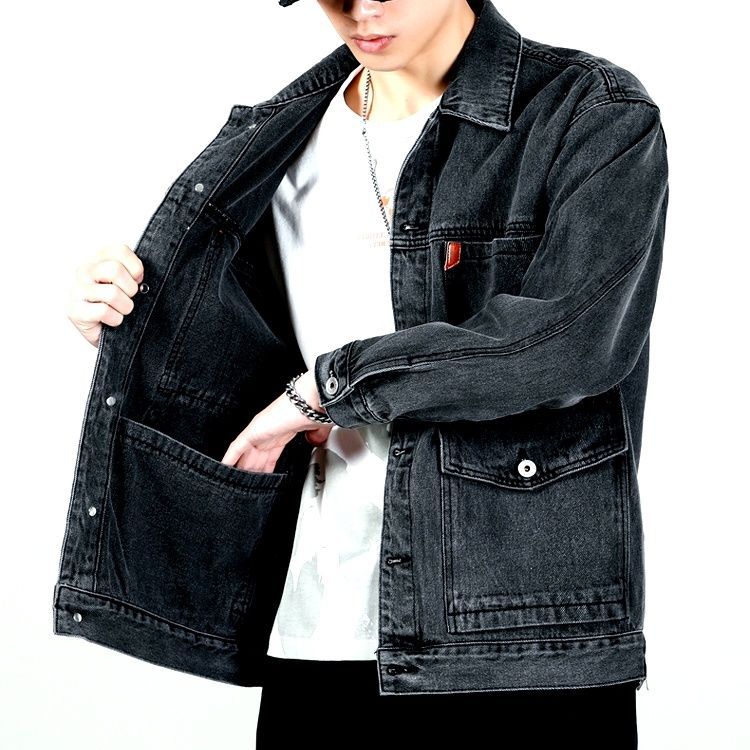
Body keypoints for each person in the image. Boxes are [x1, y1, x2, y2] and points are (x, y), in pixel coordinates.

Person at [65, 0, 664, 746]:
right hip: (317, 628)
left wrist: (328, 390)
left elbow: (568, 342)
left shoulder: (589, 113)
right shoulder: (279, 139)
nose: (361, 10)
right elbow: (251, 382)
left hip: (518, 637)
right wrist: (133, 323)